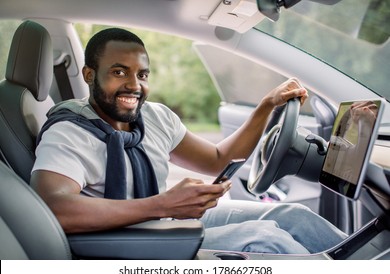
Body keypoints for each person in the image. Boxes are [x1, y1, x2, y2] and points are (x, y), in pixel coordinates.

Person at [30, 28, 347, 254]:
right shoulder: (69, 132)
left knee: (292, 216)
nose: (134, 85)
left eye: (142, 75)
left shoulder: (154, 116)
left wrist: (266, 105)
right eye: (118, 72)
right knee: (264, 238)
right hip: (118, 240)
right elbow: (54, 208)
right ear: (89, 74)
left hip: (159, 218)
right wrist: (163, 204)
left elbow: (218, 158)